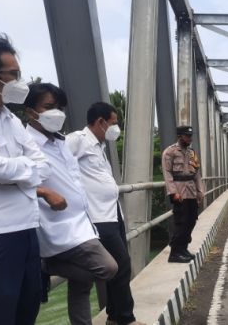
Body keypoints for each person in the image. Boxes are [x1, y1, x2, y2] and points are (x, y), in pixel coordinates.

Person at [0, 33, 65, 324]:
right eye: (14, 74)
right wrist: (18, 171)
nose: (20, 82)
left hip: (25, 231)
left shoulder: (7, 116)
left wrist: (12, 172)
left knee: (25, 312)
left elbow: (42, 166)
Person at [24, 83, 118, 325]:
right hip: (58, 228)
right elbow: (11, 179)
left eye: (59, 108)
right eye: (48, 107)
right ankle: (47, 265)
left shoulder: (60, 142)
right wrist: (43, 191)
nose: (56, 113)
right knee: (108, 268)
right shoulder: (25, 143)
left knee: (82, 284)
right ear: (30, 111)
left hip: (82, 222)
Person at [66, 102, 144, 325]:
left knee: (116, 267)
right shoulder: (77, 140)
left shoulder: (98, 146)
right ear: (100, 122)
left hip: (112, 213)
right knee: (121, 264)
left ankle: (113, 316)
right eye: (113, 123)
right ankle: (125, 318)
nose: (115, 128)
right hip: (97, 217)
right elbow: (55, 166)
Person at [161, 125, 205, 263]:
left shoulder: (192, 153)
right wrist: (173, 192)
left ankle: (183, 248)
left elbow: (197, 174)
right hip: (179, 191)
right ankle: (175, 252)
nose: (190, 138)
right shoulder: (170, 152)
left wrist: (200, 191)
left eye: (191, 136)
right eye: (187, 136)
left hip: (191, 190)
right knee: (181, 221)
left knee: (191, 220)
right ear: (180, 136)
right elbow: (167, 173)